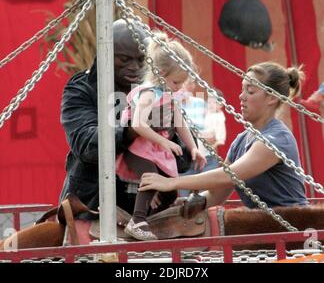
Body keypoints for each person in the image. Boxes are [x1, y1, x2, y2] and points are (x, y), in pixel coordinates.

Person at [59, 19, 191, 220]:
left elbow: (185, 159)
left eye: (141, 60)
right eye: (124, 59)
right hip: (93, 208)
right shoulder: (82, 88)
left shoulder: (160, 91)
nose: (134, 67)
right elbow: (87, 146)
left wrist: (168, 133)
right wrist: (134, 128)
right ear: (105, 55)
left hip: (152, 214)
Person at [139, 62, 309, 210]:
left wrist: (172, 183)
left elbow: (229, 175)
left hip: (291, 230)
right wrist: (187, 204)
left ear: (271, 98)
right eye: (242, 90)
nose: (241, 96)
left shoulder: (277, 139)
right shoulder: (241, 140)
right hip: (263, 226)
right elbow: (216, 194)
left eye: (250, 91)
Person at [116, 32, 206, 240]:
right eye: (176, 82)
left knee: (169, 186)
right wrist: (164, 141)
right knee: (150, 176)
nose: (180, 87)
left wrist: (193, 147)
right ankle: (137, 221)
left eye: (182, 83)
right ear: (161, 73)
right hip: (138, 147)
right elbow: (137, 124)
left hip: (155, 147)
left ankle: (157, 218)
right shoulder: (148, 94)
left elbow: (179, 121)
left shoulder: (171, 93)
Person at [199, 89, 227, 170]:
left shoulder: (219, 118)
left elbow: (220, 140)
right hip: (200, 150)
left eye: (214, 102)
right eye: (209, 102)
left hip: (209, 155)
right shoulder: (207, 113)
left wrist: (211, 149)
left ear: (221, 104)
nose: (211, 105)